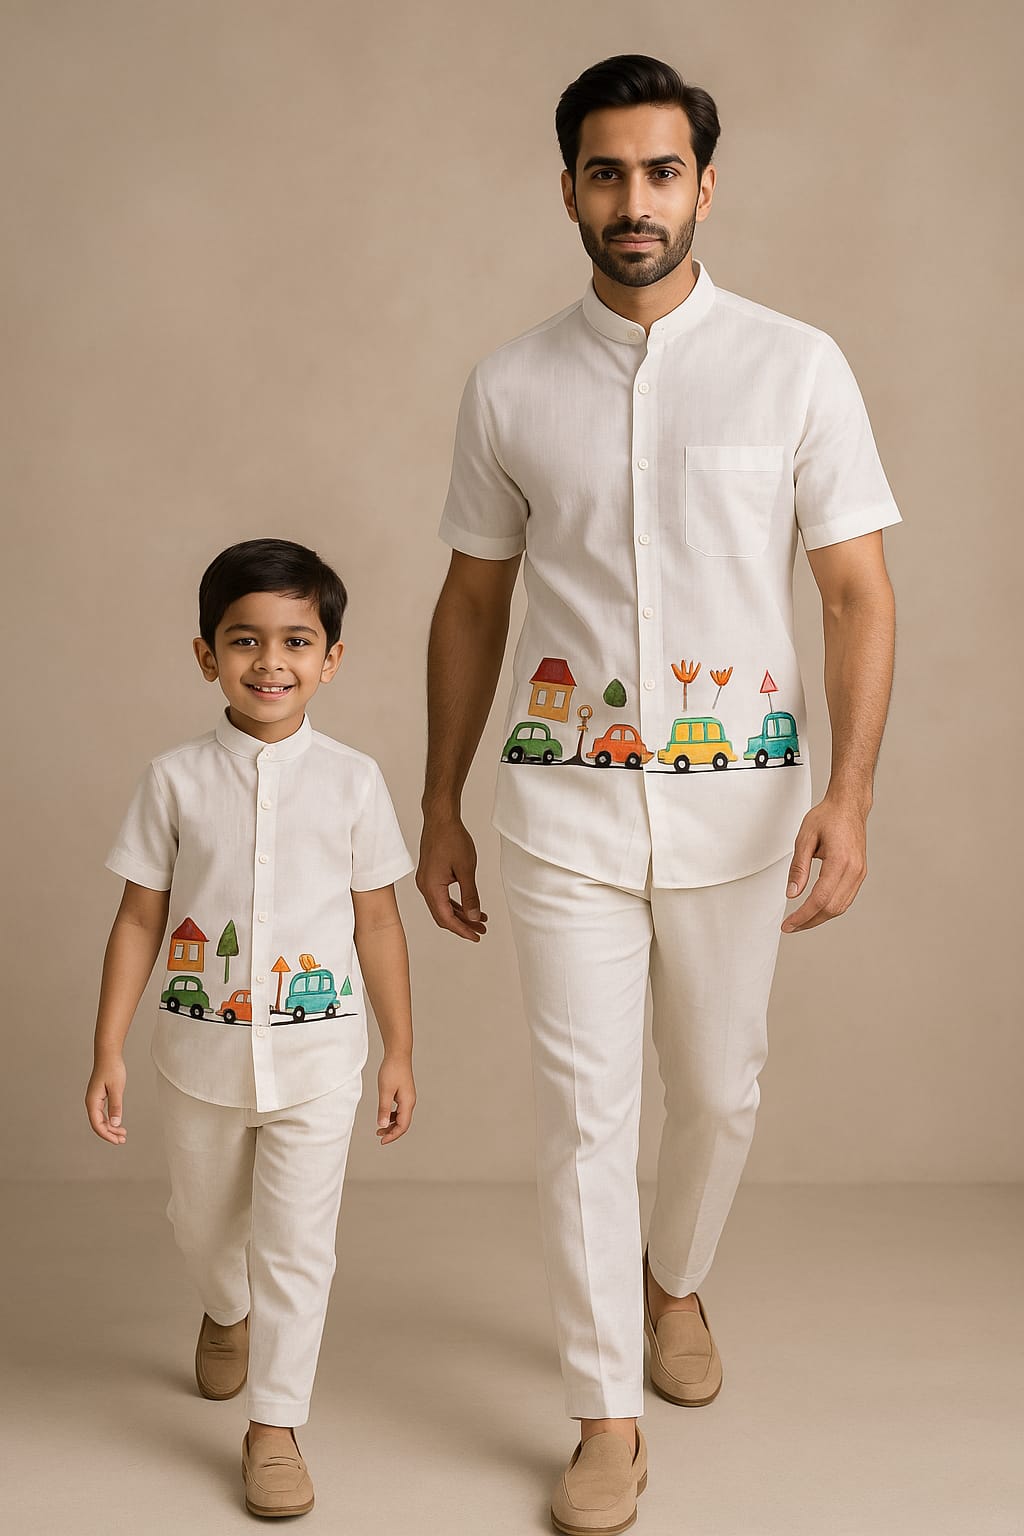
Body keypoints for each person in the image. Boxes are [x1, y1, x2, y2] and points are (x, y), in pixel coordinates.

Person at [418, 54, 900, 1534]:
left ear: (705, 186)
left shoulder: (796, 366)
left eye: (661, 171)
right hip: (560, 814)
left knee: (719, 1089)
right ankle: (602, 1418)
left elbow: (856, 594)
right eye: (607, 173)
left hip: (742, 812)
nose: (636, 200)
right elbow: (472, 603)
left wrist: (849, 795)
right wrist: (438, 803)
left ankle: (672, 1279)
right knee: (585, 1116)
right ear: (567, 189)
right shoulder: (509, 384)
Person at [86, 538, 416, 1519]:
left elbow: (377, 923)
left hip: (321, 1063)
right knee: (202, 1227)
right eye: (244, 641)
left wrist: (400, 1049)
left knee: (298, 1246)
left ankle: (274, 1428)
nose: (270, 662)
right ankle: (222, 1307)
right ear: (206, 656)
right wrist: (107, 1047)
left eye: (296, 641)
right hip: (200, 1060)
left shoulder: (354, 781)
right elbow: (140, 918)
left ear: (331, 659)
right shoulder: (174, 780)